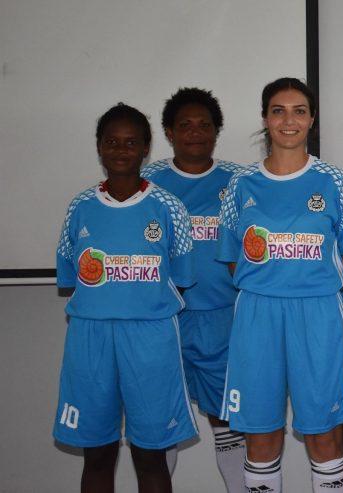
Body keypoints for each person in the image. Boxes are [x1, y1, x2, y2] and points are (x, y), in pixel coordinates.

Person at [217, 77, 343, 493]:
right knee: (260, 435)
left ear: (312, 119)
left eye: (299, 110)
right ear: (265, 118)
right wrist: (269, 284)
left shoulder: (335, 182)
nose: (289, 120)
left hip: (317, 312)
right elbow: (233, 257)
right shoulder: (240, 186)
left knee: (324, 434)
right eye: (278, 110)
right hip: (257, 315)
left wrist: (321, 283)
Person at [54, 103, 197, 492]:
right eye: (112, 142)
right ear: (99, 147)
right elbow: (70, 277)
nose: (121, 149)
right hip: (90, 339)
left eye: (131, 142)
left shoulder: (169, 208)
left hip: (150, 339)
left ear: (146, 148)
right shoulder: (80, 208)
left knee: (150, 455)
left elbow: (181, 279)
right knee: (97, 453)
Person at [141, 87, 247, 492]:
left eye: (205, 125)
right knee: (159, 421)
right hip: (164, 319)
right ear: (169, 132)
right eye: (185, 125)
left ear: (217, 131)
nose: (196, 132)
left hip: (224, 317)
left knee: (230, 422)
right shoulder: (148, 182)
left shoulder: (238, 181)